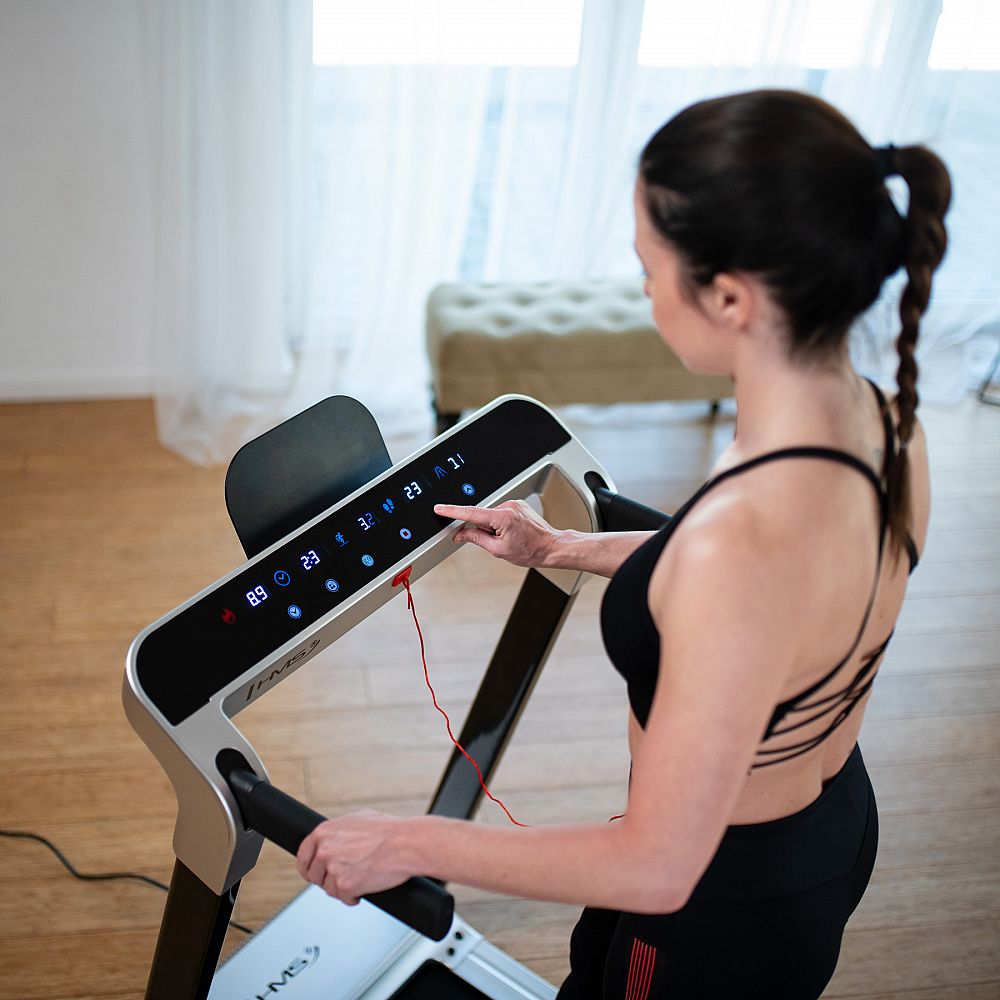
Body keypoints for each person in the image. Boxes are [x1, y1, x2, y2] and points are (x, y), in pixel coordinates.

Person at [296, 89, 951, 998]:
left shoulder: (741, 543)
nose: (642, 290)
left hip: (716, 896)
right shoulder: (882, 421)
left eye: (649, 267)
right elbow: (769, 603)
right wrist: (561, 546)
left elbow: (655, 868)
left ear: (729, 296)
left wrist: (406, 841)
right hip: (824, 825)